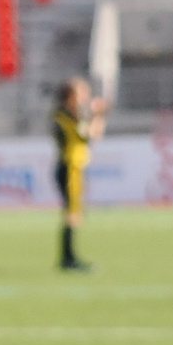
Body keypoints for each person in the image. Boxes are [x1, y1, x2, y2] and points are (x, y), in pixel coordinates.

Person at [53, 79, 104, 272]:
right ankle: (68, 259)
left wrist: (96, 117)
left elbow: (92, 135)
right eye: (81, 93)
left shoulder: (72, 116)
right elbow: (87, 135)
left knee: (74, 214)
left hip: (74, 167)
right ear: (71, 96)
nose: (84, 97)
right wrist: (96, 115)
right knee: (72, 214)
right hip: (69, 168)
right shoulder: (63, 117)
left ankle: (69, 257)